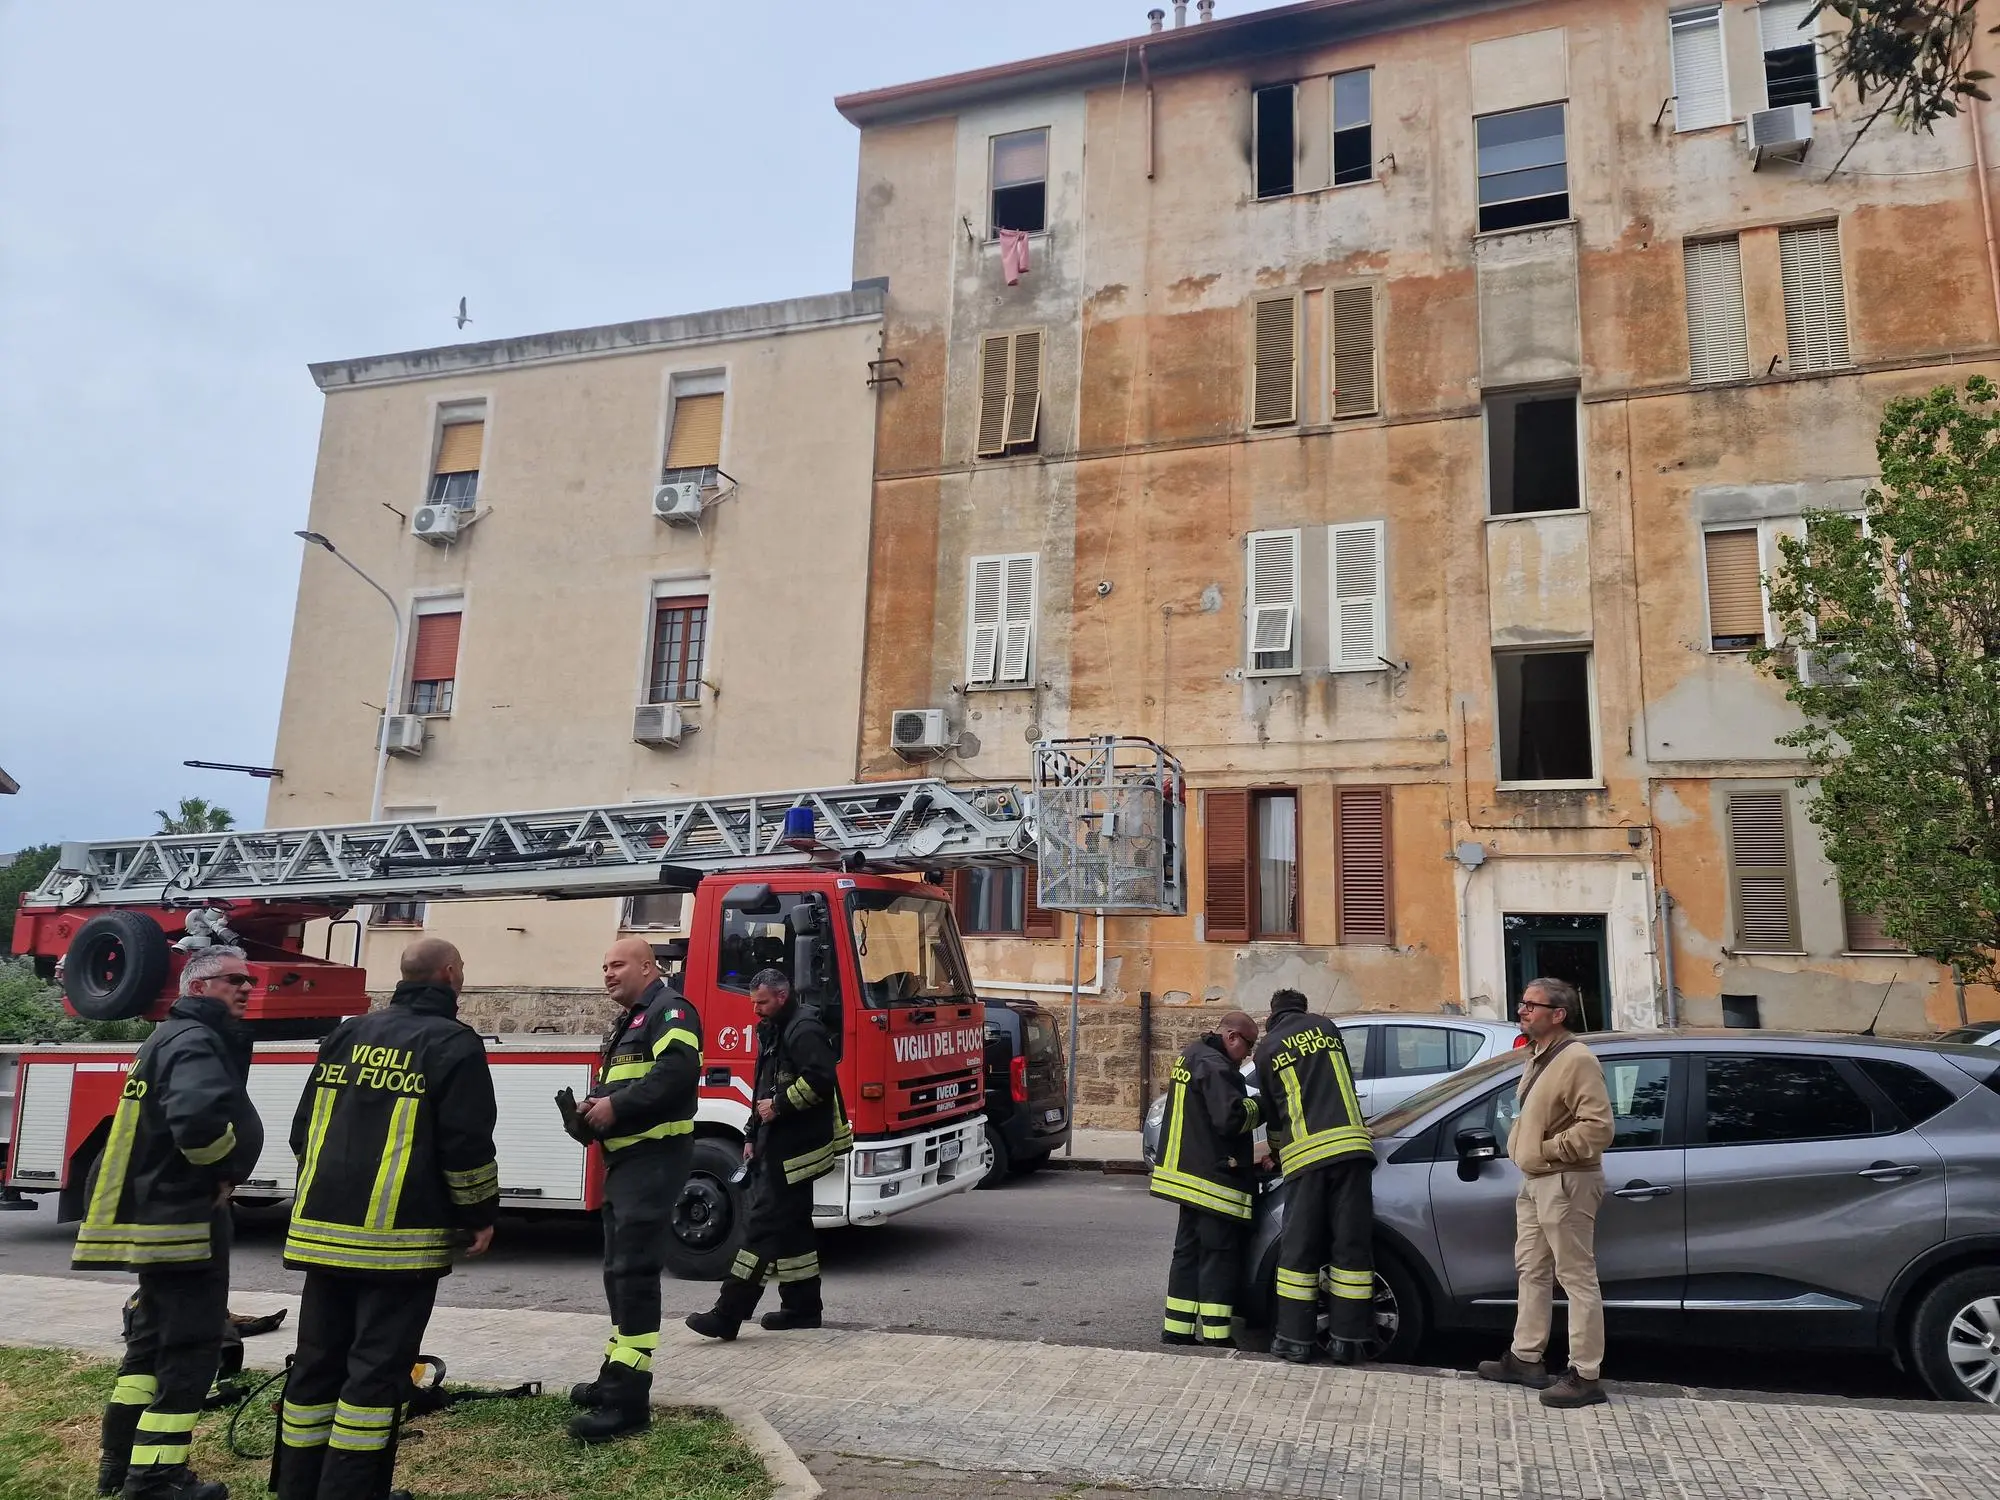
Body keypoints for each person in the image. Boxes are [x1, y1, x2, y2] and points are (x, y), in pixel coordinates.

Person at [273, 937, 499, 1500]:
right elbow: (466, 1146)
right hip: (398, 1245)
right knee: (375, 1375)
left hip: (321, 1236)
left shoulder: (348, 1033)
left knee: (316, 1366)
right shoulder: (453, 1044)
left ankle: (298, 1487)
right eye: (463, 968)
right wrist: (478, 1214)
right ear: (450, 974)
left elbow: (304, 1130)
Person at [77, 945, 263, 1500]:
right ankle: (156, 1478)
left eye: (250, 980)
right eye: (235, 980)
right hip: (185, 1221)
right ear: (199, 987)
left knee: (150, 1348)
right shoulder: (196, 1041)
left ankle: (119, 1462)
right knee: (191, 1349)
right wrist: (224, 1171)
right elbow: (199, 1122)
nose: (248, 988)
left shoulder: (166, 1037)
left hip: (159, 1219)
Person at [566, 936, 704, 1442]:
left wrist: (615, 1109)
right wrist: (589, 1111)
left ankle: (629, 1403)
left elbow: (677, 1074)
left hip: (653, 1161)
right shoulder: (630, 1021)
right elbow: (622, 1085)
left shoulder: (671, 1011)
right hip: (625, 1163)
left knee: (635, 1274)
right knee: (617, 1272)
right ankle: (613, 1378)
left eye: (617, 964)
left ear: (648, 967)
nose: (607, 973)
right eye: (603, 965)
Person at [685, 969, 849, 1341]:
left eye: (761, 1002)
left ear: (781, 995)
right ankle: (803, 1308)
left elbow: (820, 1082)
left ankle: (728, 1314)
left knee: (760, 1227)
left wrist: (777, 1106)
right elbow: (762, 1085)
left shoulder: (804, 1029)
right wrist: (750, 1133)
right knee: (793, 1233)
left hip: (795, 1149)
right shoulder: (775, 1026)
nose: (755, 1010)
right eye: (753, 1002)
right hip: (777, 1143)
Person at [1477, 976, 1615, 1408]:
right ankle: (1525, 1357)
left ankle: (1585, 1375)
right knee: (1532, 1270)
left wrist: (1546, 1151)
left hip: (1566, 1179)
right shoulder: (1539, 1056)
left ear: (1558, 1014)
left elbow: (1598, 1128)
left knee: (1576, 1277)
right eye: (1522, 1003)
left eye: (1532, 1005)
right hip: (1536, 1180)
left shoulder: (1576, 1059)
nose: (1523, 1010)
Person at [1252, 988, 1375, 1366]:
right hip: (1353, 1150)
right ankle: (1349, 1341)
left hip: (1307, 1157)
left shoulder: (1267, 1047)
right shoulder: (1328, 1028)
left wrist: (1274, 1152)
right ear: (1303, 1009)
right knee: (1351, 1248)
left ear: (1273, 1015)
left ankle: (1294, 1340)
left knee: (1299, 1250)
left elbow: (1274, 1112)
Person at [1149, 1012, 1261, 1349]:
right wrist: (1260, 1106)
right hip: (1212, 1179)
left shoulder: (1192, 1053)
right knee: (1217, 1255)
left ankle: (1178, 1330)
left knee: (1186, 1253)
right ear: (1231, 1036)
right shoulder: (1216, 1066)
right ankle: (1216, 1334)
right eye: (1249, 1045)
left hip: (1186, 1175)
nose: (1249, 1054)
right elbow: (1231, 1119)